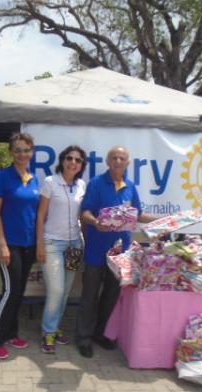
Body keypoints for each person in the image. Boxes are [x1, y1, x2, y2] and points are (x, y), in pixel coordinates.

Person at [76, 146, 156, 358]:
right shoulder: (96, 183)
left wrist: (163, 220)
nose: (118, 161)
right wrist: (95, 221)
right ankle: (83, 337)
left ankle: (98, 333)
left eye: (122, 158)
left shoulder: (130, 186)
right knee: (90, 295)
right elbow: (84, 212)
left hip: (121, 252)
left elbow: (138, 215)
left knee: (111, 295)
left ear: (127, 163)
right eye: (114, 158)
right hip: (96, 249)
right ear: (108, 161)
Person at [0, 132, 39, 359]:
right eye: (17, 150)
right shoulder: (2, 177)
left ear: (32, 152)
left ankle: (11, 333)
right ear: (10, 152)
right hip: (10, 244)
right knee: (9, 291)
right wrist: (2, 244)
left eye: (26, 150)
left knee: (18, 291)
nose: (22, 154)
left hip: (29, 244)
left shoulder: (33, 178)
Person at [36, 146, 87, 354]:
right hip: (52, 244)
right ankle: (47, 331)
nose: (72, 162)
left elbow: (82, 216)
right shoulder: (50, 182)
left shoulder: (82, 185)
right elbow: (40, 216)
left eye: (77, 160)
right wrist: (39, 244)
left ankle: (55, 328)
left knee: (65, 291)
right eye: (69, 158)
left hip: (74, 244)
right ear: (62, 160)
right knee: (56, 290)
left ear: (82, 165)